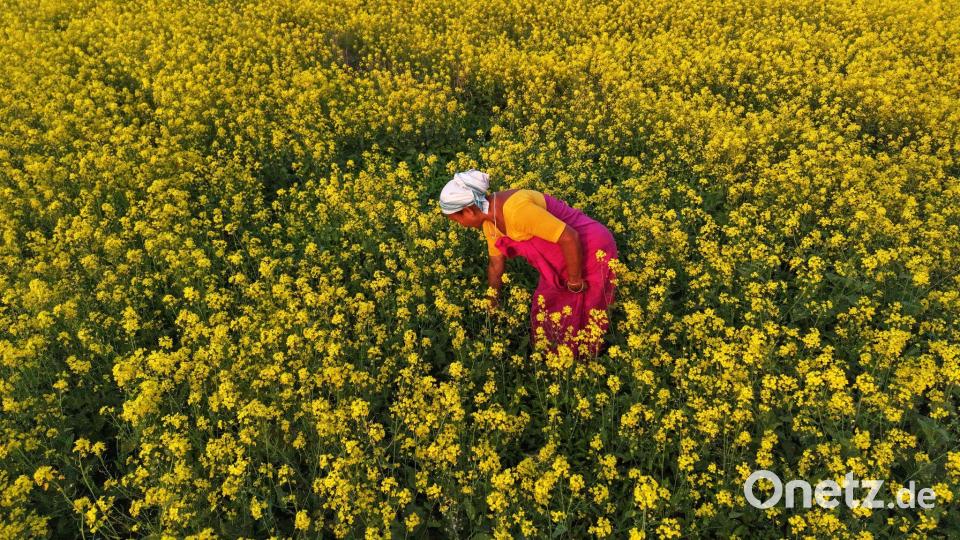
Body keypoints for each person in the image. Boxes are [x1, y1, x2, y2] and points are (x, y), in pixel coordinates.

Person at [439, 169, 618, 360]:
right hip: (562, 257)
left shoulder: (516, 211)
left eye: (457, 220)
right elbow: (495, 264)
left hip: (590, 249)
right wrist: (492, 299)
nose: (460, 225)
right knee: (550, 307)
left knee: (586, 307)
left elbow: (569, 237)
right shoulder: (490, 224)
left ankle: (588, 359)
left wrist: (575, 280)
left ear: (468, 210)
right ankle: (557, 360)